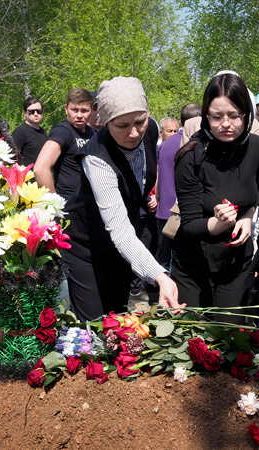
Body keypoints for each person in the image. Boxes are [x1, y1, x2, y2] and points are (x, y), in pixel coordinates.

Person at [63, 77, 181, 321]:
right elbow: (119, 230)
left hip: (123, 248)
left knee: (117, 320)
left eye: (140, 121)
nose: (134, 132)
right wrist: (160, 276)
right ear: (104, 122)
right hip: (87, 246)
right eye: (122, 125)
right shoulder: (96, 158)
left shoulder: (148, 131)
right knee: (94, 326)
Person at [171, 73, 259, 322]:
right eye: (217, 117)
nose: (226, 124)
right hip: (194, 265)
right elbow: (190, 225)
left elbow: (252, 193)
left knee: (229, 340)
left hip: (236, 263)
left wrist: (246, 216)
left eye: (234, 116)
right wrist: (219, 224)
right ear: (205, 116)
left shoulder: (257, 147)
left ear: (246, 115)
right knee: (191, 345)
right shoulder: (190, 156)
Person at [155, 103, 201, 271]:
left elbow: (158, 175)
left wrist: (157, 198)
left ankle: (161, 292)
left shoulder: (165, 145)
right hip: (189, 211)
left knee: (164, 256)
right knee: (184, 259)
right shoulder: (198, 143)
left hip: (165, 209)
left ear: (181, 121)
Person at [34, 88, 95, 200]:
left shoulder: (92, 133)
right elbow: (40, 168)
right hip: (69, 205)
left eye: (84, 110)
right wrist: (55, 205)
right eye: (74, 110)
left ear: (91, 110)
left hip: (89, 204)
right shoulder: (63, 131)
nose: (79, 115)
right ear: (66, 109)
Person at [12, 97, 47, 166]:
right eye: (32, 111)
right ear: (25, 113)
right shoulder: (20, 132)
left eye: (39, 111)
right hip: (27, 175)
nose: (36, 114)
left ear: (42, 112)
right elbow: (13, 158)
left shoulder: (43, 132)